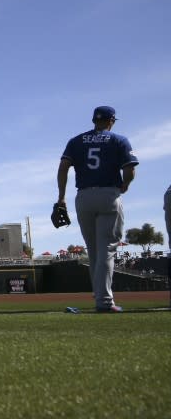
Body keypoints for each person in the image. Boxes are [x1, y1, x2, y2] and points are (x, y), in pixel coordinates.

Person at [56, 106, 138, 313]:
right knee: (107, 250)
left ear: (94, 120)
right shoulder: (119, 140)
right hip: (109, 194)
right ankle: (104, 301)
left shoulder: (75, 141)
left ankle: (99, 292)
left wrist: (61, 197)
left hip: (83, 196)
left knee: (93, 250)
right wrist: (126, 185)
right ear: (111, 120)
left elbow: (63, 168)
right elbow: (130, 169)